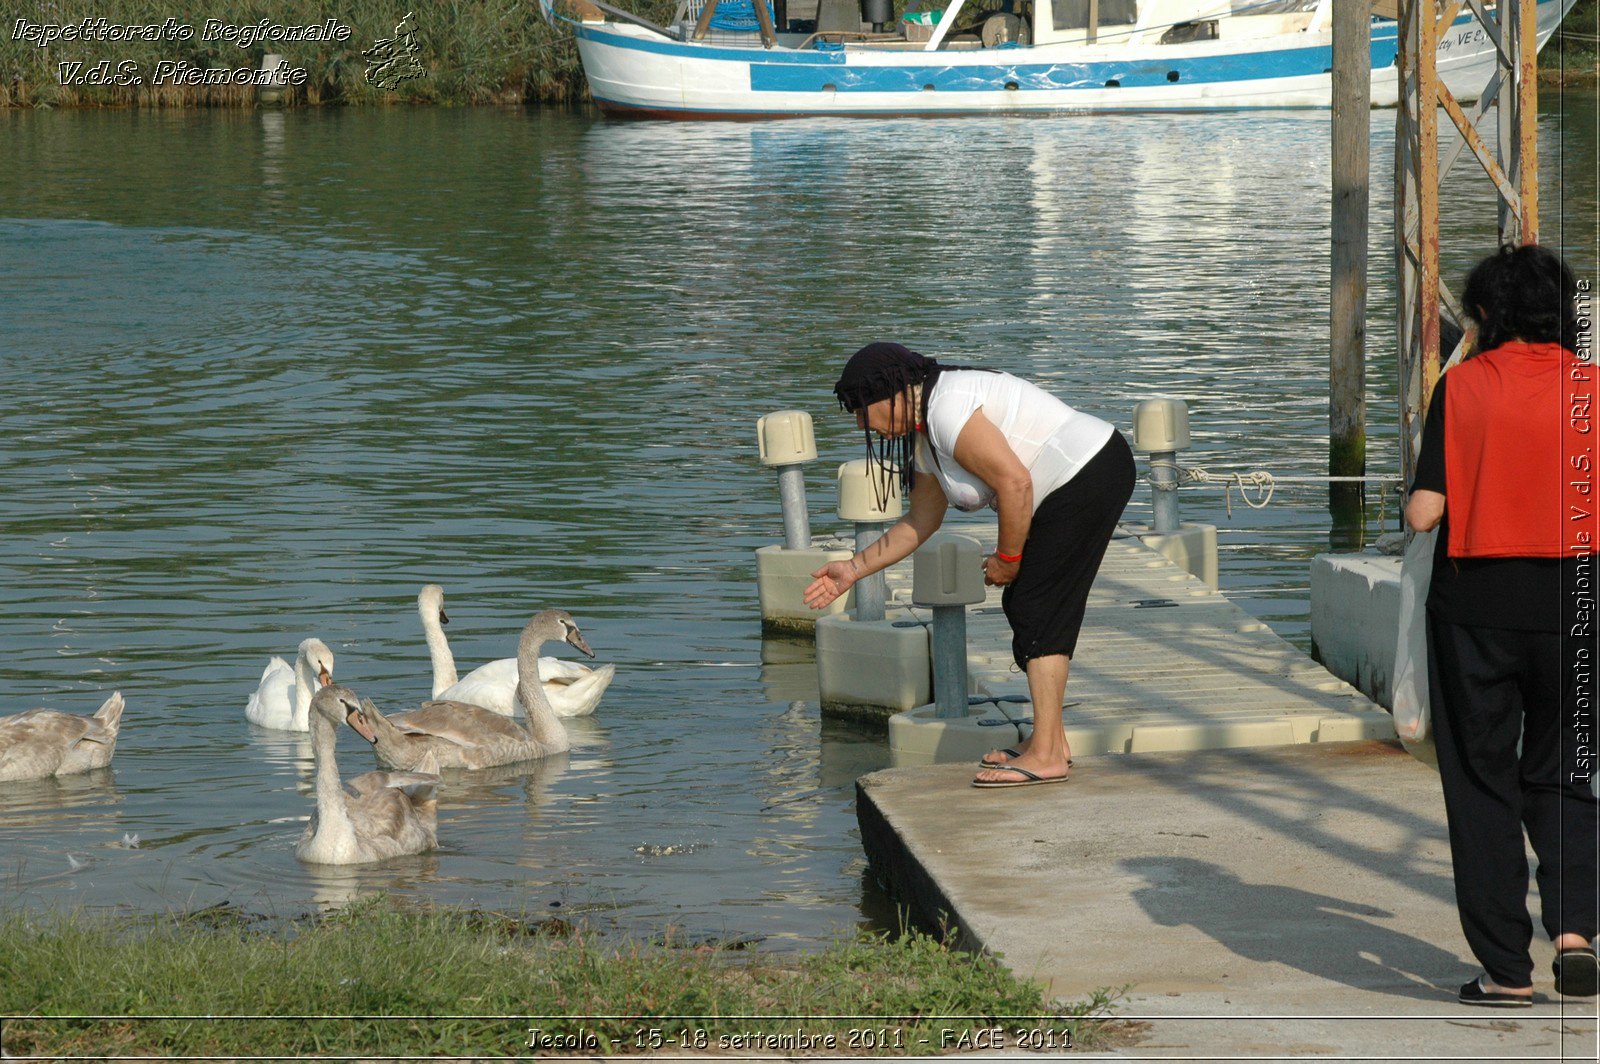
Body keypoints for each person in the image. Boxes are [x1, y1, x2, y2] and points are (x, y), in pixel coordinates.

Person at [803, 341, 1135, 787]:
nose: (862, 424)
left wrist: (1007, 560)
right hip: (1075, 477)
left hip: (1087, 470)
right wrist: (853, 569)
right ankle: (1050, 742)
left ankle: (1048, 754)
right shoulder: (925, 436)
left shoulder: (946, 410)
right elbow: (921, 521)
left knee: (1036, 603)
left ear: (894, 392)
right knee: (1030, 604)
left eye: (864, 411)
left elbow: (1014, 483)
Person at [1404, 244, 1598, 1007]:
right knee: (1567, 774)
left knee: (1482, 785)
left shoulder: (1462, 387)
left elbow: (1425, 512)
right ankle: (1576, 932)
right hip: (1578, 605)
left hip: (1477, 609)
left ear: (1486, 314)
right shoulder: (1590, 386)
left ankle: (1507, 973)